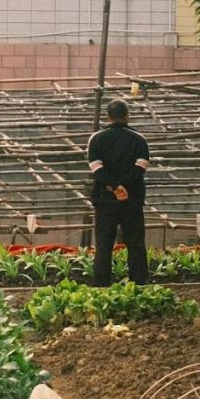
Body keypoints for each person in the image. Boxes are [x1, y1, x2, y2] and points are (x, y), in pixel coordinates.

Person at [87, 98, 150, 286]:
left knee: (104, 245)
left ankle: (101, 286)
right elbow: (141, 166)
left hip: (105, 201)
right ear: (127, 116)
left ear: (108, 117)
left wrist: (114, 187)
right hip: (132, 200)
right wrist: (124, 186)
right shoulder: (138, 139)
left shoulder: (96, 139)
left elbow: (96, 168)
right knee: (136, 243)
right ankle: (138, 283)